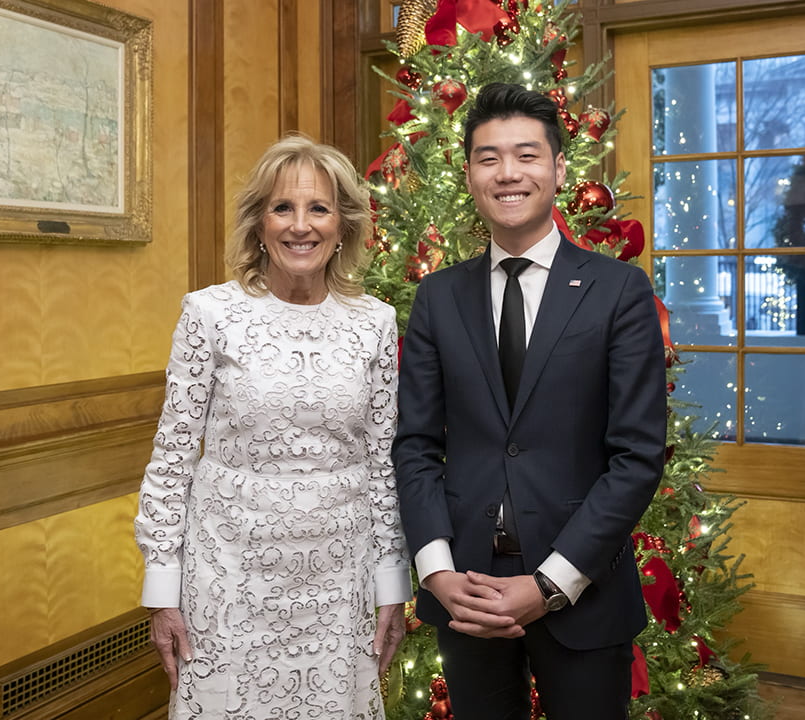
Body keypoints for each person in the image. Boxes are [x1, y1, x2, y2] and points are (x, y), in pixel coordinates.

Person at [392, 83, 667, 719]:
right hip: (469, 591)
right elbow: (416, 445)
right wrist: (437, 572)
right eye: (488, 158)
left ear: (559, 168)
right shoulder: (438, 297)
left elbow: (636, 457)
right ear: (469, 175)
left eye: (526, 155)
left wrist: (550, 584)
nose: (508, 174)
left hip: (584, 587)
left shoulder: (618, 291)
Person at [135, 135, 411, 719]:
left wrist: (392, 585)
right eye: (282, 208)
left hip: (341, 585)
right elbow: (172, 458)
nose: (300, 226)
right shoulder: (209, 313)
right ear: (259, 223)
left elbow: (383, 464)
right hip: (228, 584)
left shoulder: (376, 324)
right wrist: (163, 591)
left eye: (319, 208)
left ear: (344, 225)